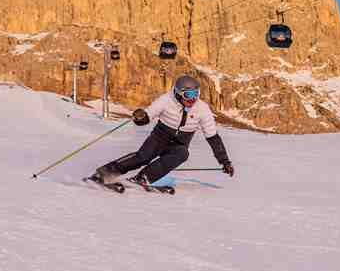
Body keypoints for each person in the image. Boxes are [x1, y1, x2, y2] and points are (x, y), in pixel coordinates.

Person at [92, 75, 234, 187]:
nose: (193, 99)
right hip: (160, 136)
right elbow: (149, 114)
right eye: (189, 95)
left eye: (196, 94)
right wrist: (141, 117)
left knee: (182, 153)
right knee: (143, 157)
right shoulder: (166, 100)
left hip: (180, 142)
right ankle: (104, 173)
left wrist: (224, 161)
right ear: (178, 94)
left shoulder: (202, 109)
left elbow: (213, 137)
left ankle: (143, 177)